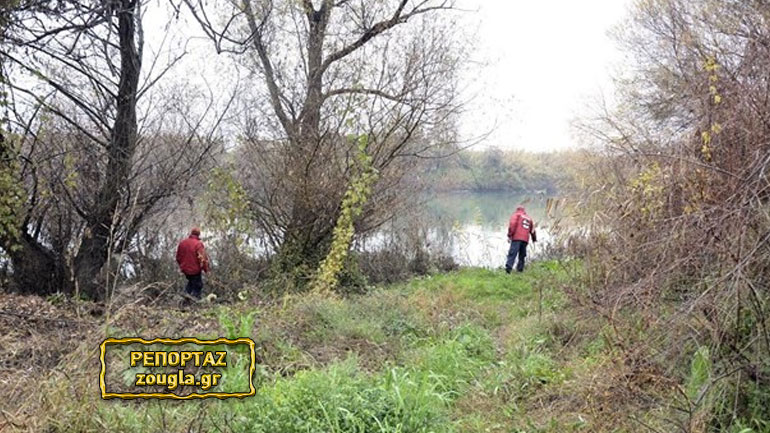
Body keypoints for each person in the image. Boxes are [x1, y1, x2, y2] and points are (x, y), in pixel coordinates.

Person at [176, 227, 210, 299]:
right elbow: (202, 259)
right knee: (198, 286)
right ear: (199, 235)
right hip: (195, 270)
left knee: (191, 283)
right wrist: (206, 270)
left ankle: (185, 299)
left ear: (191, 233)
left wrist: (182, 266)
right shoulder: (198, 244)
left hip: (185, 269)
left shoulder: (182, 243)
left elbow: (178, 257)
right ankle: (194, 302)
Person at [505, 206, 537, 273]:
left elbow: (512, 225)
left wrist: (509, 235)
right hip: (525, 239)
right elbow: (533, 230)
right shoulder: (529, 218)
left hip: (517, 238)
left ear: (517, 210)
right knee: (522, 255)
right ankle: (520, 270)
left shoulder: (516, 215)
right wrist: (534, 239)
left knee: (513, 253)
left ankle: (508, 268)